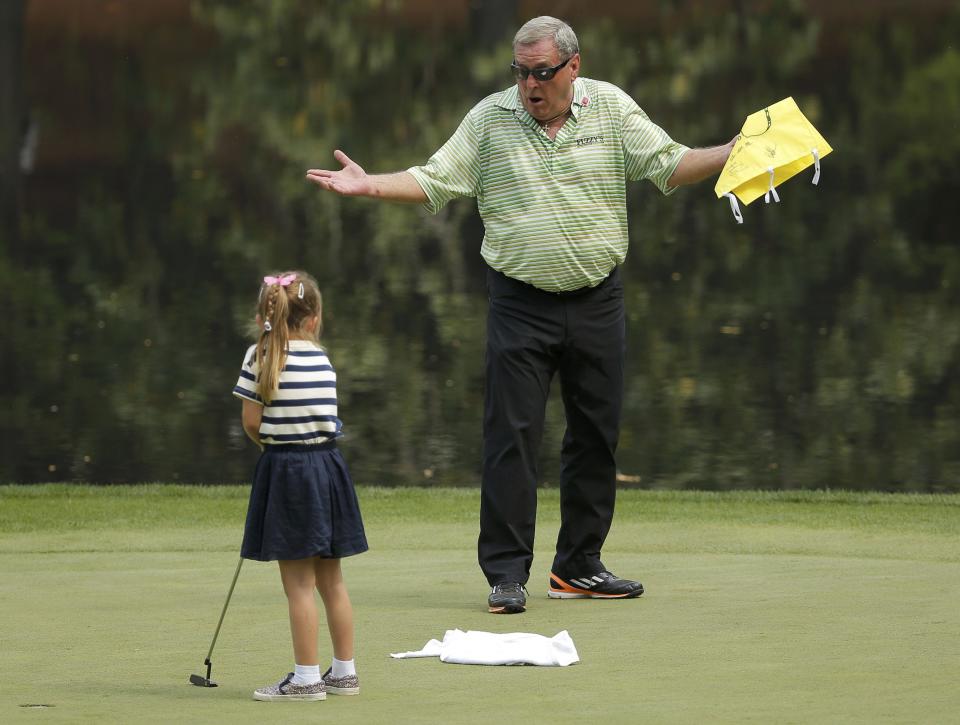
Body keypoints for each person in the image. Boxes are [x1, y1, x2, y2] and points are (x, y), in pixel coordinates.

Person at [306, 16, 735, 614]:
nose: (530, 84)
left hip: (597, 300)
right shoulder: (490, 119)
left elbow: (670, 164)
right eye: (521, 72)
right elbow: (435, 179)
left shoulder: (610, 109)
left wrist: (735, 152)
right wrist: (370, 185)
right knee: (511, 437)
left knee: (596, 438)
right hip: (520, 304)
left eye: (541, 72)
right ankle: (507, 575)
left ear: (572, 67)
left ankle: (578, 566)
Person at [232, 270, 368, 700]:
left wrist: (268, 444)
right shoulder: (321, 357)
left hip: (289, 471)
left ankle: (307, 679)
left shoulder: (260, 355)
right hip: (328, 469)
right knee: (332, 581)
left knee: (298, 585)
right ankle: (344, 673)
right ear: (313, 319)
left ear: (264, 316)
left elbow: (252, 422)